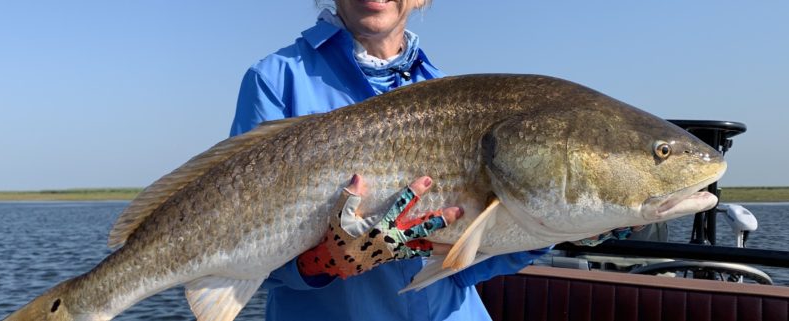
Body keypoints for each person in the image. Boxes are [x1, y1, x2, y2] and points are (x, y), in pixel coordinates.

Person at [229, 1, 550, 320]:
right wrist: (319, 262)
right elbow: (232, 237)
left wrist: (553, 229)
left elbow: (464, 267)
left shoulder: (453, 93)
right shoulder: (275, 79)